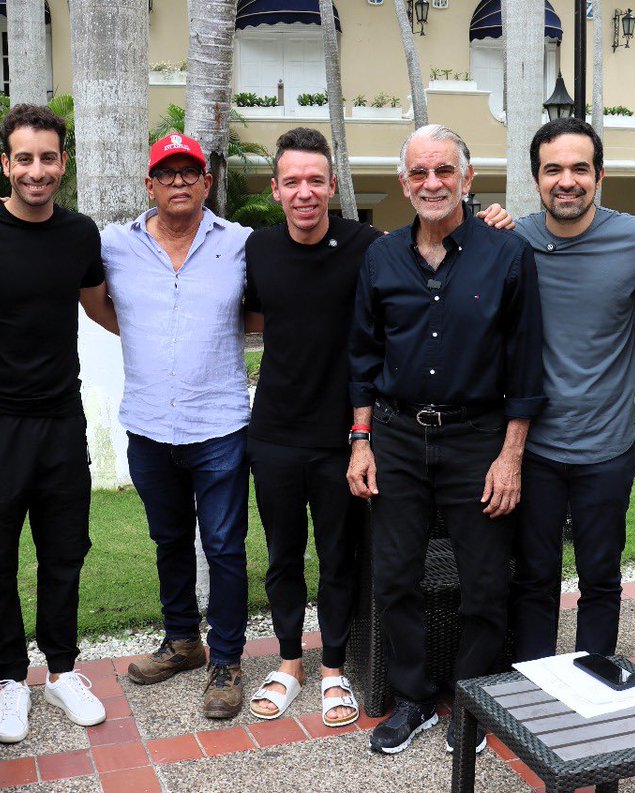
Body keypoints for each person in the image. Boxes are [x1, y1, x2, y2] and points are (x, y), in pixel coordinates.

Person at [348, 124, 546, 755]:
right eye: (418, 173)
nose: (431, 183)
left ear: (466, 177)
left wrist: (511, 455)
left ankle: (471, 699)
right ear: (404, 184)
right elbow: (362, 355)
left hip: (479, 438)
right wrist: (361, 439)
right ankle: (412, 699)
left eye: (443, 171)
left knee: (485, 581)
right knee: (397, 576)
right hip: (399, 436)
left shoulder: (508, 254)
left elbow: (525, 363)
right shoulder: (381, 258)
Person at [0, 104, 113, 743]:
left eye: (48, 158)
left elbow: (101, 310)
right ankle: (11, 678)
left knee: (65, 550)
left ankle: (62, 669)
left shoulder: (80, 234)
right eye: (24, 159)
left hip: (62, 417)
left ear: (62, 163)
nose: (37, 170)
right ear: (5, 165)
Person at [103, 133, 253, 719]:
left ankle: (227, 660)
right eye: (167, 173)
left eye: (190, 172)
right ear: (150, 184)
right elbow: (95, 300)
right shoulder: (116, 244)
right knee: (168, 541)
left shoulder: (239, 242)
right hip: (148, 424)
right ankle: (183, 641)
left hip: (218, 425)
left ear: (207, 183)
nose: (179, 182)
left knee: (223, 546)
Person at [241, 128, 381, 727]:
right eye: (292, 181)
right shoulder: (256, 250)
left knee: (338, 557)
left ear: (332, 186)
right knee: (282, 555)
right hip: (272, 431)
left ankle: (334, 670)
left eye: (315, 181)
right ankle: (291, 662)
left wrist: (360, 435)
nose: (305, 192)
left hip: (339, 437)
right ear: (275, 190)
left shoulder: (368, 246)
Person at [507, 117, 635, 662]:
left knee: (600, 575)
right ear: (536, 178)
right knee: (535, 576)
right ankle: (532, 687)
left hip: (608, 448)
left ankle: (594, 678)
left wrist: (618, 359)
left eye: (579, 168)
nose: (566, 180)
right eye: (553, 169)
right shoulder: (513, 240)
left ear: (599, 175)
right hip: (535, 449)